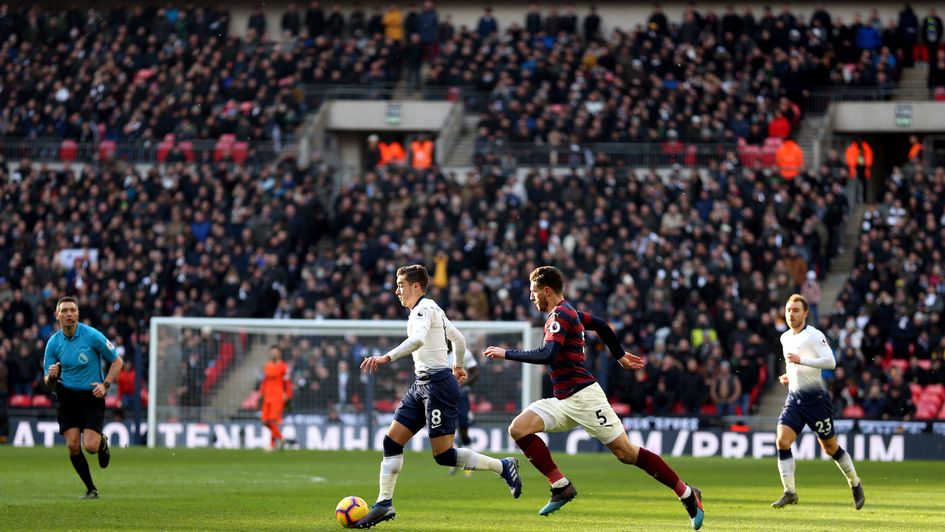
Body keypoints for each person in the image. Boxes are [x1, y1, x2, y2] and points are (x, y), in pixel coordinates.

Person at [483, 266, 705, 530]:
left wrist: (505, 353)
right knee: (518, 428)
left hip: (586, 399)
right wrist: (619, 354)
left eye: (533, 293)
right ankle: (560, 486)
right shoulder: (569, 312)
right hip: (564, 400)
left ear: (546, 291)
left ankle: (687, 494)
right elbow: (599, 324)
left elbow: (548, 355)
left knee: (627, 454)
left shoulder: (561, 315)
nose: (531, 298)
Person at [355, 265, 522, 528]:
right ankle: (384, 503)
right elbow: (459, 338)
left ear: (416, 286)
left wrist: (386, 357)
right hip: (421, 385)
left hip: (438, 386)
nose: (397, 290)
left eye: (401, 284)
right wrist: (458, 365)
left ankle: (503, 466)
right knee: (391, 442)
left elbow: (418, 340)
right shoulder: (432, 309)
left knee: (443, 456)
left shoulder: (423, 309)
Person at [771, 294, 865, 510]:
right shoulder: (785, 337)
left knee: (830, 448)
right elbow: (793, 364)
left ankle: (855, 483)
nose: (791, 314)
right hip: (794, 399)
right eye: (788, 310)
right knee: (782, 441)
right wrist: (790, 375)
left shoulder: (814, 336)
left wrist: (801, 361)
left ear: (805, 313)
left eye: (796, 310)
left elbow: (830, 362)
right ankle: (790, 492)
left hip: (816, 401)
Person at [42, 296, 123, 499]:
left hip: (91, 395)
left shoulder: (92, 336)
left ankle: (102, 442)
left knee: (90, 447)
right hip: (67, 396)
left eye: (73, 310)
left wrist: (105, 385)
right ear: (57, 315)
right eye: (64, 311)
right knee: (72, 445)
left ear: (78, 313)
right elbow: (47, 382)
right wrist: (51, 376)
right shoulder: (53, 343)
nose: (69, 314)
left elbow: (117, 362)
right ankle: (91, 489)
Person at [447, 340, 479, 476]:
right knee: (447, 429)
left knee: (463, 426)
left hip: (460, 395)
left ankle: (469, 455)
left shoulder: (463, 353)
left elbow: (475, 373)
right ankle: (453, 459)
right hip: (444, 396)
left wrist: (461, 384)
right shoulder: (435, 354)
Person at [258, 345, 292, 451]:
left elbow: (287, 382)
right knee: (264, 421)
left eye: (275, 352)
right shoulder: (267, 366)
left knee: (273, 421)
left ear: (279, 353)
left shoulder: (284, 366)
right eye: (271, 352)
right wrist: (261, 393)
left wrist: (288, 394)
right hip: (267, 396)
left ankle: (272, 445)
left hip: (278, 397)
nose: (273, 354)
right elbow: (264, 381)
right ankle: (281, 438)